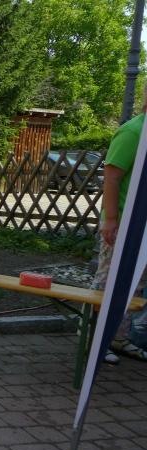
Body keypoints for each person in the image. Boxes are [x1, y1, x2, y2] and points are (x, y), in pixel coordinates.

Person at [93, 87, 147, 363]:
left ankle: (118, 338)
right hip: (124, 223)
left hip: (143, 228)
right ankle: (95, 340)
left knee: (135, 285)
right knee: (109, 281)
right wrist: (111, 220)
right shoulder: (133, 132)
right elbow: (112, 177)